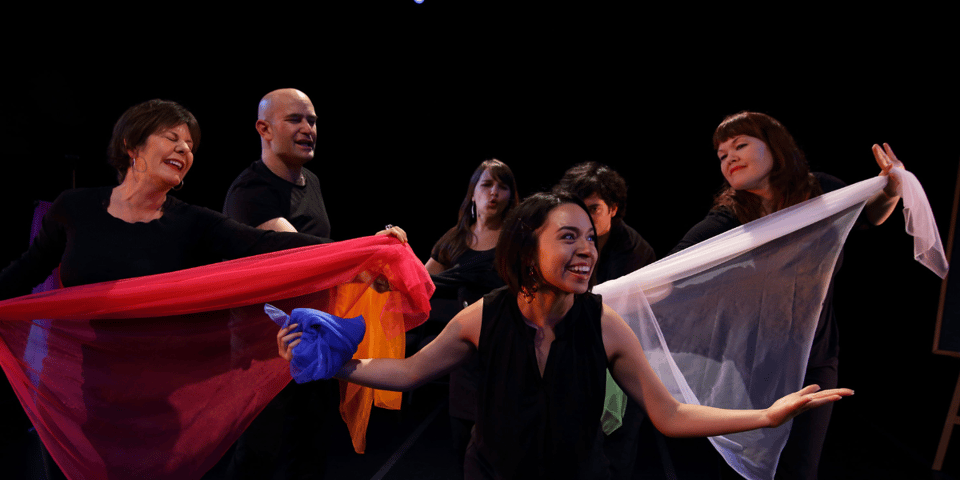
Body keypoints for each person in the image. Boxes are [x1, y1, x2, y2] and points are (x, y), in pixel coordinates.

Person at [279, 191, 853, 480]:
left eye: (589, 240)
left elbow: (670, 414)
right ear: (529, 244)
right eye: (569, 238)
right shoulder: (485, 315)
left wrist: (766, 415)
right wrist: (340, 364)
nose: (586, 252)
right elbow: (407, 373)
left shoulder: (602, 321)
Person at [0, 99, 343, 479]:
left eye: (191, 145)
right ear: (132, 145)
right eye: (172, 138)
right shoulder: (73, 208)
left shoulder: (191, 222)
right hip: (84, 396)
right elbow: (21, 275)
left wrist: (361, 250)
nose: (185, 149)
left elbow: (266, 245)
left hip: (161, 402)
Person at [669, 111, 901, 480]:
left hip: (815, 355)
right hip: (750, 362)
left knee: (798, 468)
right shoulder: (729, 216)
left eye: (740, 145)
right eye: (721, 155)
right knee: (746, 466)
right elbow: (670, 271)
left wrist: (890, 189)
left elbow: (870, 216)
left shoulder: (820, 191)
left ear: (774, 146)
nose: (729, 158)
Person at [219, 88, 405, 479]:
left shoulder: (312, 183)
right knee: (262, 463)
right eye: (296, 120)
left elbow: (326, 261)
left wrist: (371, 266)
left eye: (313, 121)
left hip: (311, 346)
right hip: (265, 357)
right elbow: (303, 258)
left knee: (308, 459)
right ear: (264, 128)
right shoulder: (251, 191)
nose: (308, 129)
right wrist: (370, 252)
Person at [553, 161, 657, 480]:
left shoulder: (636, 251)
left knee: (617, 451)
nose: (586, 217)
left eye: (594, 209)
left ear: (613, 208)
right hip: (571, 356)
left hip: (622, 360)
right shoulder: (560, 241)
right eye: (578, 209)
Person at [422, 159, 519, 474]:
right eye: (487, 185)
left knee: (504, 447)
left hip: (509, 350)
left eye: (502, 186)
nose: (494, 193)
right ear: (473, 193)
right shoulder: (457, 237)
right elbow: (422, 282)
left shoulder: (516, 239)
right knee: (463, 445)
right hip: (465, 354)